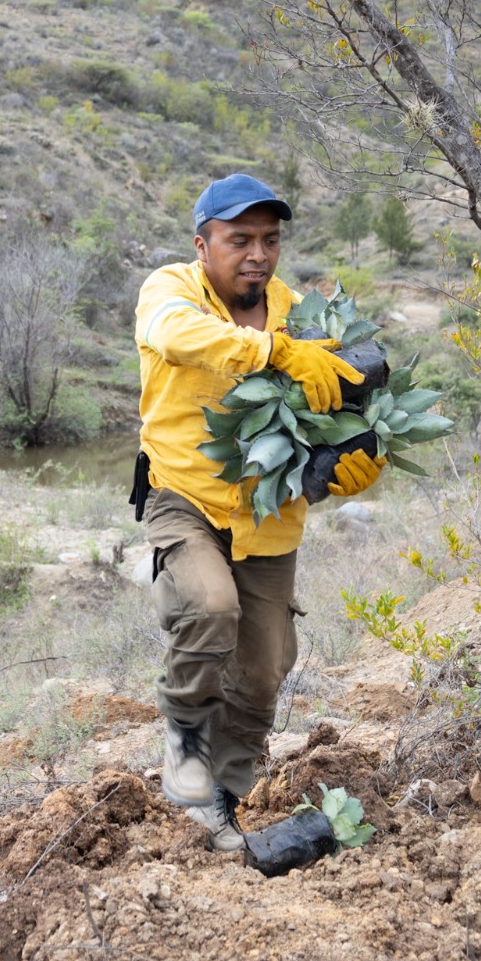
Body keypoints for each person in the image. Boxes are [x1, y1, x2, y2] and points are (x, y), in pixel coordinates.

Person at [134, 173, 384, 852]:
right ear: (202, 243)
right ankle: (184, 772)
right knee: (210, 607)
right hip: (183, 498)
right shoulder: (171, 291)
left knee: (267, 665)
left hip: (270, 517)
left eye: (269, 240)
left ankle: (223, 795)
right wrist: (276, 351)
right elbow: (183, 337)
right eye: (239, 239)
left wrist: (359, 463)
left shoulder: (301, 313)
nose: (257, 254)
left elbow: (344, 412)